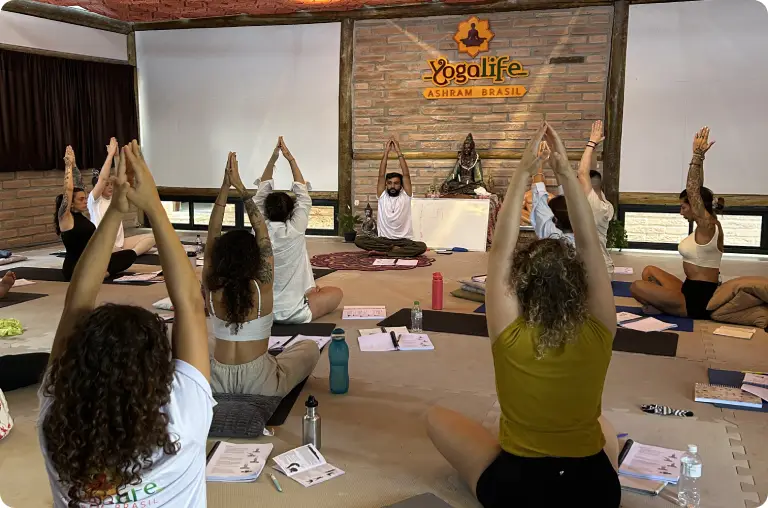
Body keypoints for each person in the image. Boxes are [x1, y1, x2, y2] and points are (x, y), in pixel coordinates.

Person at [426, 123, 620, 508]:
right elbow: (588, 243)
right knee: (605, 428)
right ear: (579, 283)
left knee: (435, 418)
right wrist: (564, 171)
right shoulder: (600, 329)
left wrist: (524, 171)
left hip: (517, 489)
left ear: (522, 285)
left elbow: (501, 248)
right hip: (595, 491)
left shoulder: (510, 332)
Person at [40, 141, 213, 507]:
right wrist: (153, 206)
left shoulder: (55, 422)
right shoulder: (183, 416)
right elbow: (191, 304)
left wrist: (117, 210)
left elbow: (76, 305)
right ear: (158, 367)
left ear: (77, 362)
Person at [205, 152, 320, 397]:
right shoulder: (261, 287)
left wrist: (225, 188)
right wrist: (240, 188)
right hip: (261, 384)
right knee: (309, 347)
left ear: (218, 257)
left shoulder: (211, 288)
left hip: (215, 381)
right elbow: (261, 232)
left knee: (206, 341)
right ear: (253, 257)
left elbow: (212, 233)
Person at [630, 127, 723, 318]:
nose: (681, 212)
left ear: (695, 206)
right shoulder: (705, 224)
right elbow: (697, 190)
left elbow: (693, 191)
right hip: (688, 288)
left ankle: (666, 307)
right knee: (649, 271)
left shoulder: (708, 225)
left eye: (683, 207)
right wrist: (701, 160)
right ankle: (664, 305)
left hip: (698, 300)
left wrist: (697, 156)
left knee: (636, 287)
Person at [252, 137, 342, 324]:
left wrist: (273, 158)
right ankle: (309, 292)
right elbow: (303, 194)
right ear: (291, 211)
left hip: (261, 311)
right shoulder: (295, 229)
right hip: (295, 312)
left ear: (265, 210)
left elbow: (261, 193)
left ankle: (309, 291)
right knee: (336, 293)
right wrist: (290, 159)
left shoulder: (259, 228)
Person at [54, 146, 138, 281]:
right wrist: (68, 165)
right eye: (81, 199)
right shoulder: (65, 217)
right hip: (76, 267)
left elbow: (79, 183)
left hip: (92, 261)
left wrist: (74, 165)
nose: (85, 201)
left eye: (85, 198)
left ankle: (102, 273)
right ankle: (98, 274)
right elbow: (68, 189)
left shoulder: (80, 216)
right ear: (71, 203)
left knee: (129, 255)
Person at [354, 138, 428, 257]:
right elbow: (381, 175)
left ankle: (385, 251)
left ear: (401, 185)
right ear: (386, 184)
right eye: (389, 183)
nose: (392, 186)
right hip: (384, 240)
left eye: (396, 183)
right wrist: (386, 153)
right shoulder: (382, 195)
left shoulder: (406, 195)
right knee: (359, 240)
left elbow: (406, 174)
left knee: (421, 246)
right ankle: (393, 251)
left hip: (403, 240)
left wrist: (398, 151)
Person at [88, 137, 155, 256]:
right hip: (102, 244)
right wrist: (110, 155)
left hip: (120, 244)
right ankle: (122, 255)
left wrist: (116, 156)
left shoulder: (114, 198)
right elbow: (103, 178)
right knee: (109, 250)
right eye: (106, 185)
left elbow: (120, 178)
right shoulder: (94, 200)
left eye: (111, 184)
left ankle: (130, 254)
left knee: (151, 238)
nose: (110, 187)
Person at [577, 121, 615, 275]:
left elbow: (582, 173)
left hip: (598, 270)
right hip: (599, 267)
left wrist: (591, 142)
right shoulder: (602, 201)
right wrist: (595, 148)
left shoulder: (596, 206)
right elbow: (590, 171)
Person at [529, 141, 574, 244]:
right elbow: (565, 200)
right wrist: (556, 168)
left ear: (555, 219)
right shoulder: (583, 235)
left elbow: (539, 196)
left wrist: (539, 161)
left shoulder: (549, 231)